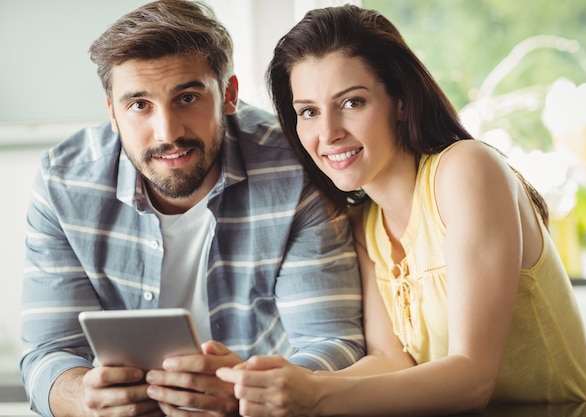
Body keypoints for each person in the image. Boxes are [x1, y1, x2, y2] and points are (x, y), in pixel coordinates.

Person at [215, 4, 586, 416]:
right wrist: (275, 386)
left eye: (351, 102)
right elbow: (391, 362)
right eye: (309, 112)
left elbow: (472, 378)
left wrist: (315, 396)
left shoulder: (466, 170)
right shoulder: (363, 222)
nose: (328, 133)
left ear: (400, 101)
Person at [19, 1, 366, 416]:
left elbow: (332, 342)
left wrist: (248, 393)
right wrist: (82, 399)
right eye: (139, 105)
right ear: (112, 112)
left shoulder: (294, 167)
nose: (168, 132)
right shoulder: (63, 182)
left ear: (229, 95)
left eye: (187, 97)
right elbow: (47, 354)